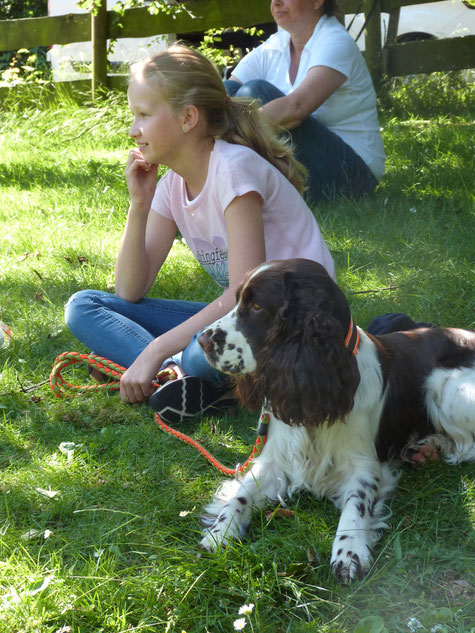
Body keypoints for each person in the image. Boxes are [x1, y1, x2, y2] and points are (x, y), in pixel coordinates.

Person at [65, 44, 335, 424]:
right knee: (84, 307)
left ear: (188, 117)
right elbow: (129, 291)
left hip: (292, 325)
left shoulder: (233, 169)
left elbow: (243, 296)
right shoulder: (172, 185)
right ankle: (188, 380)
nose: (133, 130)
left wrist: (155, 350)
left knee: (197, 352)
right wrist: (139, 205)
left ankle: (177, 373)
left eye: (143, 114)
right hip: (244, 321)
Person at [224, 0, 385, 202]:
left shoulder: (335, 41)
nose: (276, 2)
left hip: (354, 173)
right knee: (228, 93)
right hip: (308, 159)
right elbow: (226, 92)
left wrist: (232, 131)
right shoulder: (277, 44)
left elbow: (296, 108)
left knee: (255, 91)